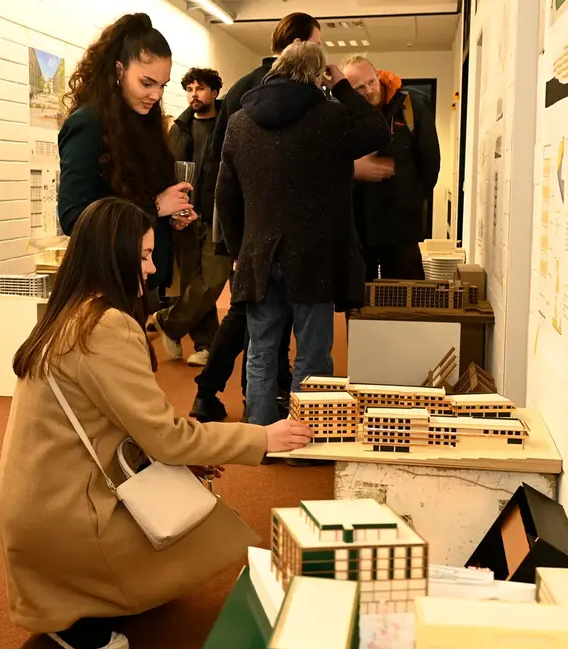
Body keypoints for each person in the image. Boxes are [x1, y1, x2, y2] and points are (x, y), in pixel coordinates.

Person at [0, 198, 312, 649]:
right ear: (113, 258)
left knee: (184, 502)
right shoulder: (105, 327)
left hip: (37, 508)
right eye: (142, 256)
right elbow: (167, 436)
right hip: (66, 516)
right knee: (195, 528)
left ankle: (68, 600)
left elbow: (129, 427)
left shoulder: (65, 318)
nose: (152, 267)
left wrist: (183, 455)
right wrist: (264, 438)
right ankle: (78, 609)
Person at [216, 41, 390, 430]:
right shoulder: (330, 116)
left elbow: (225, 196)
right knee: (312, 355)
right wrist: (343, 86)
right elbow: (379, 131)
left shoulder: (240, 122)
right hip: (315, 258)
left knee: (260, 349)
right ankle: (304, 437)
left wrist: (237, 249)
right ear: (317, 77)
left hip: (260, 255)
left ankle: (261, 434)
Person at [188, 12, 323, 424]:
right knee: (250, 318)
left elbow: (219, 164)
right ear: (301, 45)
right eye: (317, 42)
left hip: (247, 228)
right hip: (261, 228)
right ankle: (215, 391)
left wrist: (231, 239)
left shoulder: (244, 89)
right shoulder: (300, 95)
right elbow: (225, 163)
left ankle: (252, 402)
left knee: (259, 321)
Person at [56, 12, 195, 322]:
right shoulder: (88, 123)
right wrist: (155, 207)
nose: (156, 95)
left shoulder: (143, 124)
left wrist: (169, 217)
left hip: (138, 287)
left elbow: (135, 199)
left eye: (162, 85)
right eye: (147, 83)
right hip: (104, 289)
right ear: (118, 70)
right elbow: (73, 218)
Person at [154, 67, 231, 366]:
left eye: (200, 89)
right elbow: (165, 171)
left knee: (212, 280)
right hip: (183, 217)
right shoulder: (179, 129)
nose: (194, 95)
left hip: (217, 217)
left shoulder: (228, 126)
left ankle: (169, 321)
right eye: (189, 89)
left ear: (214, 92)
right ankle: (206, 344)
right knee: (191, 282)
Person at [343, 56, 442, 280]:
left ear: (378, 76)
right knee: (358, 302)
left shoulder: (411, 106)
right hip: (358, 227)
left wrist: (412, 199)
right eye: (358, 87)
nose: (368, 90)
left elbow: (430, 163)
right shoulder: (342, 115)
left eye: (370, 82)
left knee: (407, 299)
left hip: (401, 225)